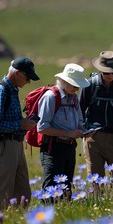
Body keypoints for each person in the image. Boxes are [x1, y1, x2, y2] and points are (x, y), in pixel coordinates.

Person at [0, 57, 40, 211]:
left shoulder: (12, 90)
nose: (28, 82)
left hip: (15, 145)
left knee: (23, 194)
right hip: (3, 147)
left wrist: (25, 123)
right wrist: (20, 124)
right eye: (27, 77)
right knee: (0, 195)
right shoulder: (0, 90)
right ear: (17, 73)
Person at [79, 51, 113, 191]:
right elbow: (79, 111)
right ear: (99, 70)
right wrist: (81, 132)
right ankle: (97, 208)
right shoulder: (89, 85)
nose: (110, 76)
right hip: (93, 140)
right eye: (106, 73)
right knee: (96, 183)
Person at [37, 63, 89, 197]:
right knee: (51, 189)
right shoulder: (50, 97)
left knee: (66, 188)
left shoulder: (74, 99)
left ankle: (62, 214)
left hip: (70, 148)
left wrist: (85, 131)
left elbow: (79, 122)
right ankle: (47, 214)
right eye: (74, 85)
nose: (77, 89)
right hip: (52, 148)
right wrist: (69, 133)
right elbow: (42, 127)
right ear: (64, 81)